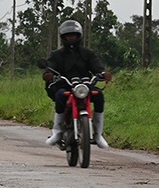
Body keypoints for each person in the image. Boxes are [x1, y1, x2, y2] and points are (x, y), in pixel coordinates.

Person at [42, 20, 112, 148]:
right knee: (60, 95)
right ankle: (57, 132)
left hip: (84, 85)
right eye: (68, 35)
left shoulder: (88, 53)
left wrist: (103, 73)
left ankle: (98, 134)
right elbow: (50, 67)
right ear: (63, 37)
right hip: (65, 84)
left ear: (79, 36)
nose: (71, 37)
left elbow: (97, 67)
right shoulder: (56, 55)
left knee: (99, 95)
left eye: (74, 35)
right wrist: (49, 75)